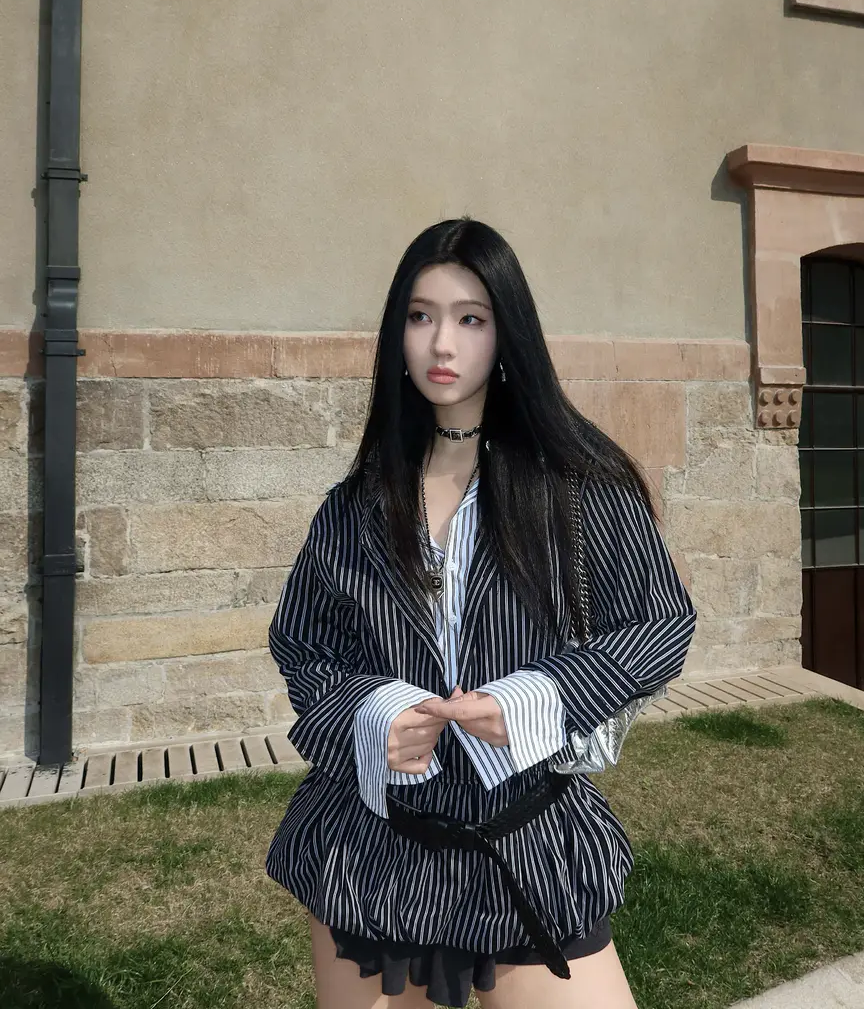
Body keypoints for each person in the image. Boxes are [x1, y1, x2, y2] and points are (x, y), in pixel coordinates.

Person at [266, 217, 697, 1009]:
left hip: (524, 849)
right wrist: (370, 713)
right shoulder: (357, 503)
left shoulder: (579, 484)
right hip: (376, 854)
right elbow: (303, 642)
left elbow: (659, 625)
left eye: (470, 318)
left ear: (507, 334)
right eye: (420, 316)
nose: (441, 344)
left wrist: (540, 698)